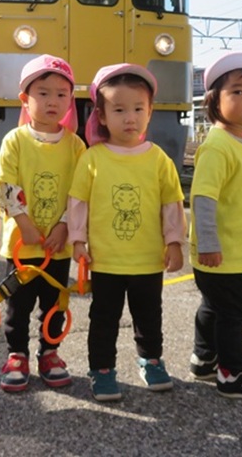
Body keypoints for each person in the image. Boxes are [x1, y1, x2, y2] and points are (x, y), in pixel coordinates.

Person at [68, 64, 185, 402]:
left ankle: (151, 360)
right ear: (101, 116)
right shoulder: (92, 158)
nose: (129, 118)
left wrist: (174, 241)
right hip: (105, 260)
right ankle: (101, 369)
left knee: (149, 315)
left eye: (138, 109)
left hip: (147, 259)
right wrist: (78, 240)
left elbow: (171, 203)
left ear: (149, 114)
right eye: (119, 110)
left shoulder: (158, 159)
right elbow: (79, 202)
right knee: (103, 318)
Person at [188, 52, 242, 400]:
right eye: (238, 92)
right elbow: (204, 199)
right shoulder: (218, 146)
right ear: (214, 101)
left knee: (214, 308)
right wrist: (208, 243)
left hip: (235, 252)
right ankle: (233, 373)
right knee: (231, 314)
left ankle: (205, 358)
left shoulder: (241, 142)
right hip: (220, 253)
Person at [0, 55, 86, 392]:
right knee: (17, 305)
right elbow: (5, 185)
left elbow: (78, 193)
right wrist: (24, 223)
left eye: (62, 94)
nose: (53, 101)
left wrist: (65, 225)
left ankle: (50, 352)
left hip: (58, 246)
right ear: (25, 99)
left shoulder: (75, 146)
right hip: (22, 245)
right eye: (44, 93)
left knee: (54, 303)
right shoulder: (14, 141)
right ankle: (17, 354)